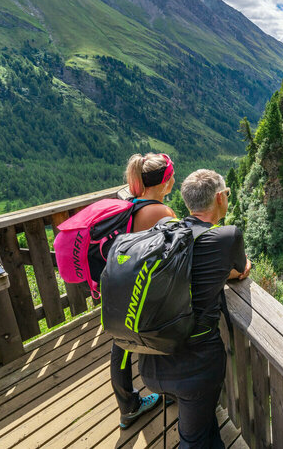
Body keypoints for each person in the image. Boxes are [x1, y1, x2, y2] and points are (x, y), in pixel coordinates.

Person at [139, 169, 251, 448]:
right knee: (193, 441)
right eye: (226, 194)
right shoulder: (227, 237)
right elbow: (241, 270)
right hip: (195, 366)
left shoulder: (164, 231)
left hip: (151, 359)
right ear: (219, 199)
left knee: (202, 426)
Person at [112, 153, 179, 428]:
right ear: (165, 183)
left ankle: (128, 407)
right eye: (172, 175)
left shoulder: (128, 204)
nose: (175, 179)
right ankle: (172, 391)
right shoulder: (162, 213)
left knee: (122, 346)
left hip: (119, 290)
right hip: (146, 295)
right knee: (166, 341)